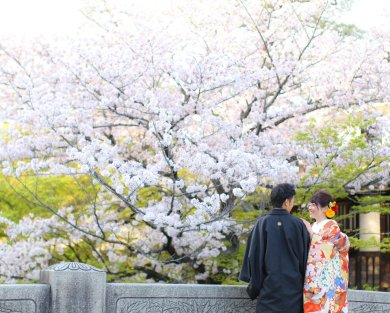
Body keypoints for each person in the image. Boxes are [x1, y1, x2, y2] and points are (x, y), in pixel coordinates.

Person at [239, 183, 311, 313]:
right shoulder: (298, 225)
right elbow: (306, 259)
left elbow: (254, 257)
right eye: (292, 201)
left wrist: (254, 288)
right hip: (293, 295)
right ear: (287, 202)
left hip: (268, 293)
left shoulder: (262, 224)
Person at [301, 190, 349, 313]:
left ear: (325, 208)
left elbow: (327, 248)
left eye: (313, 204)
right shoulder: (313, 225)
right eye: (310, 204)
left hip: (327, 279)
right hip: (316, 278)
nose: (310, 207)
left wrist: (310, 232)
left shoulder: (332, 225)